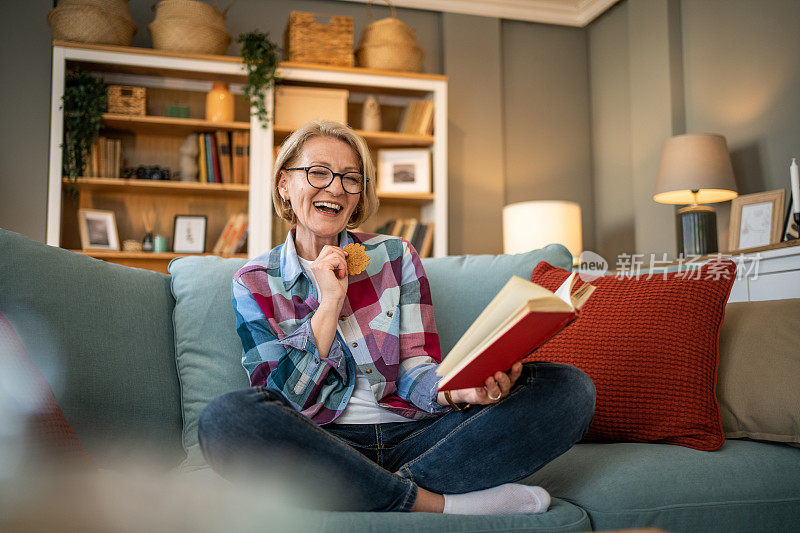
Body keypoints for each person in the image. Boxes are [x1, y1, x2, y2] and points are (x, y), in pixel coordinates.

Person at [198, 120, 596, 514]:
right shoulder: (253, 283)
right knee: (226, 418)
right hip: (322, 442)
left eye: (351, 179)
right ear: (285, 184)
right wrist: (329, 303)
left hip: (417, 435)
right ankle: (434, 504)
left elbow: (414, 366)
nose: (335, 188)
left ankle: (365, 491)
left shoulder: (395, 256)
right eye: (318, 173)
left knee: (568, 388)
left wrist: (458, 392)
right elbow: (286, 400)